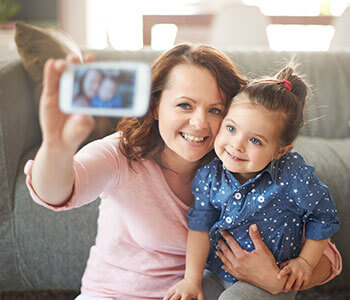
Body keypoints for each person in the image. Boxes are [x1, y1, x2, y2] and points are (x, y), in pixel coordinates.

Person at [24, 44, 341, 300]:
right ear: (155, 106)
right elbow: (56, 192)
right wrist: (56, 146)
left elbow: (327, 258)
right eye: (185, 105)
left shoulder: (243, 164)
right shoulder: (122, 152)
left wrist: (274, 280)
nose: (200, 123)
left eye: (215, 110)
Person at [164, 64, 340, 300]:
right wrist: (191, 280)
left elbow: (323, 215)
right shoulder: (210, 174)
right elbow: (200, 227)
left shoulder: (293, 175)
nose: (237, 145)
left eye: (255, 140)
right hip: (217, 272)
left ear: (280, 151)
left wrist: (305, 262)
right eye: (231, 128)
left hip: (267, 283)